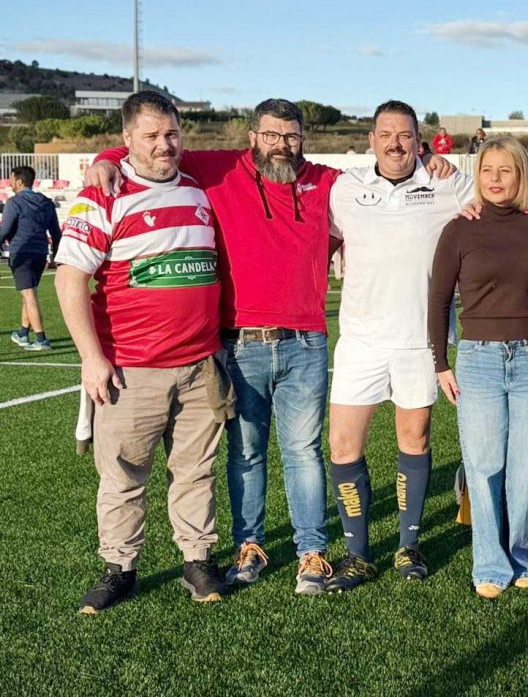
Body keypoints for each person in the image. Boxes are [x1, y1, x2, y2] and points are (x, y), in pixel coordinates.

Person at [83, 99, 456, 595]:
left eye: (292, 136)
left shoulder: (328, 182)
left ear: (304, 139)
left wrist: (430, 159)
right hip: (241, 342)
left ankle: (311, 550)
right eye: (271, 135)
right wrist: (106, 156)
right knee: (247, 451)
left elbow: (393, 172)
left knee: (303, 451)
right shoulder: (219, 168)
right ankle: (249, 544)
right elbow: (155, 148)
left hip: (306, 341)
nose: (281, 145)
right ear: (253, 136)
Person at [56, 91, 234, 612]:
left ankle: (197, 561)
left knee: (196, 470)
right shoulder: (102, 196)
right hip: (131, 369)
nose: (164, 145)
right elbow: (70, 281)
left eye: (172, 134)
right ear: (127, 139)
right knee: (123, 475)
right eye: (152, 136)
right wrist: (92, 357)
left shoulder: (202, 189)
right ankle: (119, 568)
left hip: (200, 365)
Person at [325, 100, 476, 592]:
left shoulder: (446, 184)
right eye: (386, 134)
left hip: (419, 342)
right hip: (361, 342)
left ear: (419, 140)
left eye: (406, 135)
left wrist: (443, 163)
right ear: (371, 140)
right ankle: (357, 552)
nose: (395, 143)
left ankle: (408, 544)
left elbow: (499, 196)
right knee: (344, 445)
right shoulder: (345, 188)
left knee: (414, 442)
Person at [428, 135, 528, 599]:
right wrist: (441, 362)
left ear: (521, 176)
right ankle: (489, 564)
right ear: (477, 176)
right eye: (487, 171)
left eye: (506, 170)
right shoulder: (458, 229)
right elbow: (439, 298)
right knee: (483, 465)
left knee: (525, 467)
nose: (496, 179)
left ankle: (522, 556)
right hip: (478, 359)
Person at [1, 165, 61, 351]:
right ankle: (23, 333)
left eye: (11, 179)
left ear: (19, 181)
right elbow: (56, 233)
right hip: (40, 252)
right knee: (28, 292)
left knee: (29, 294)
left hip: (22, 252)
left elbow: (4, 230)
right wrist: (54, 257)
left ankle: (41, 339)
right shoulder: (46, 202)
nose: (10, 183)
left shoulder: (14, 202)